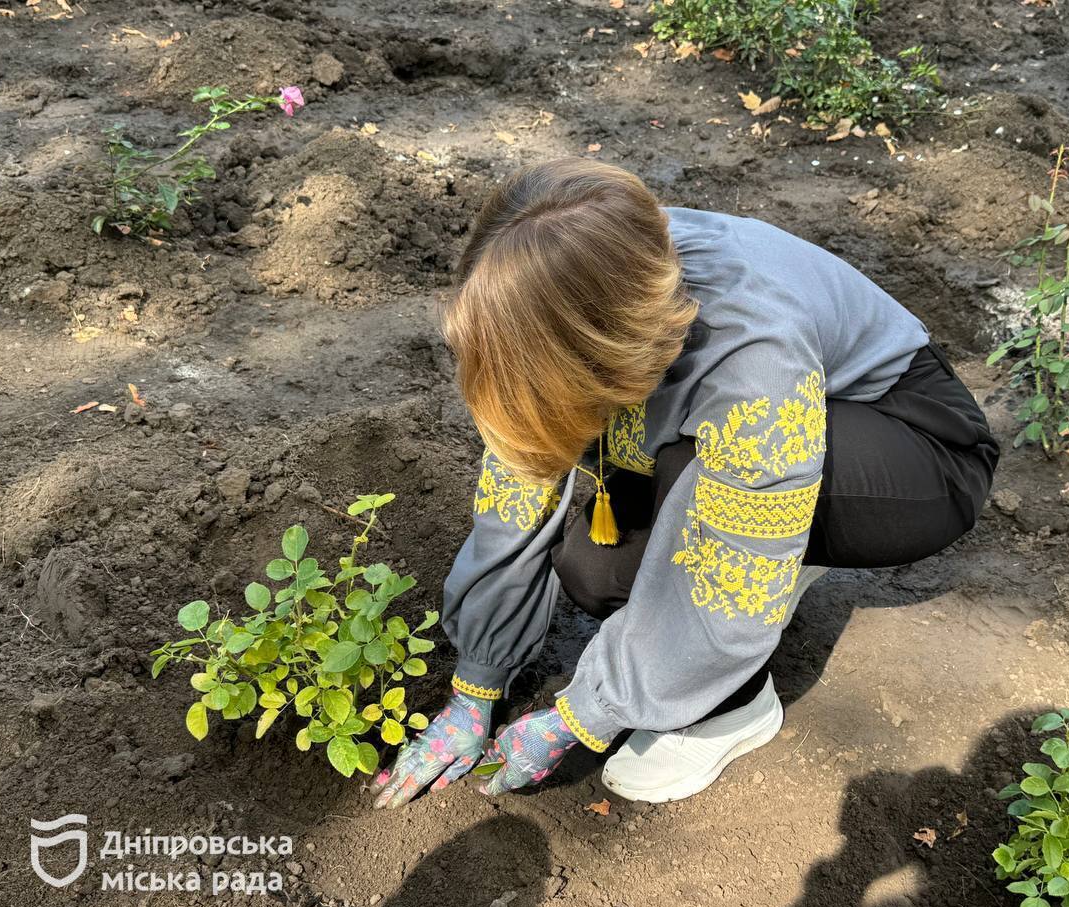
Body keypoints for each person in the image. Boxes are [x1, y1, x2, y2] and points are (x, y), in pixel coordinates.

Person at [372, 158, 997, 809]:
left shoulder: (754, 363)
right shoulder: (591, 270)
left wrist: (582, 715)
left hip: (915, 449)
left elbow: (726, 584)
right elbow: (522, 475)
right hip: (786, 417)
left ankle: (729, 710)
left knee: (715, 535)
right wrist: (476, 684)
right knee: (598, 573)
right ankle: (785, 543)